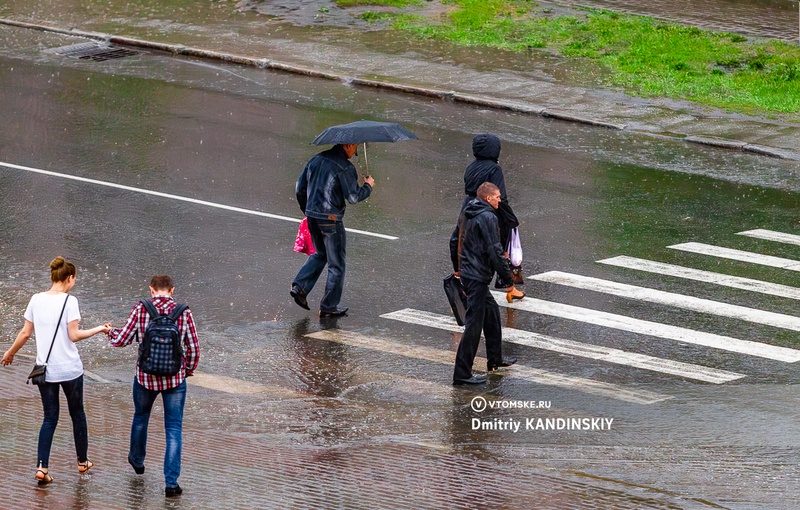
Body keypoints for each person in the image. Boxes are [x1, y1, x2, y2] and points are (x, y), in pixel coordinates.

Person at [1, 256, 110, 486]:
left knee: (49, 418)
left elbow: (25, 333)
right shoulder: (70, 301)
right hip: (70, 370)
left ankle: (42, 467)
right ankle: (82, 462)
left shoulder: (35, 299)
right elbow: (74, 335)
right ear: (69, 278)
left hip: (45, 371)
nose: (74, 283)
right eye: (74, 279)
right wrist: (99, 329)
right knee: (77, 414)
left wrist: (10, 352)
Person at [107, 275, 200, 497]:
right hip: (175, 380)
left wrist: (109, 331)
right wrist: (187, 370)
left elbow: (122, 339)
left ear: (151, 289)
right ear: (172, 290)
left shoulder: (142, 308)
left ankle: (137, 461)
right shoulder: (183, 311)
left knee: (141, 418)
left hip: (145, 378)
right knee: (174, 429)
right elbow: (194, 347)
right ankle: (171, 483)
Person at [290, 142, 375, 318]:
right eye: (356, 148)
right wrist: (368, 186)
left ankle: (299, 286)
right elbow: (353, 197)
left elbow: (300, 187)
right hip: (331, 220)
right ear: (349, 145)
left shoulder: (315, 159)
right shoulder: (345, 167)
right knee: (337, 265)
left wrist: (307, 209)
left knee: (320, 254)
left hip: (313, 216)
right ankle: (328, 306)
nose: (355, 152)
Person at [451, 183, 518, 385]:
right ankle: (462, 374)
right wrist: (508, 279)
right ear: (488, 199)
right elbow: (495, 250)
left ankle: (495, 359)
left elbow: (454, 239)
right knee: (473, 325)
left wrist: (458, 267)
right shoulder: (488, 217)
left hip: (469, 273)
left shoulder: (468, 210)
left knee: (492, 314)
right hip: (478, 276)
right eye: (497, 197)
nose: (500, 200)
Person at [453, 133, 525, 302]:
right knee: (500, 250)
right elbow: (501, 194)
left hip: (468, 207)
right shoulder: (494, 168)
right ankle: (509, 286)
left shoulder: (471, 166)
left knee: (465, 244)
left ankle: (462, 280)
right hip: (488, 209)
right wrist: (508, 218)